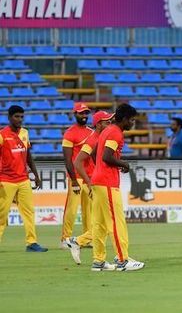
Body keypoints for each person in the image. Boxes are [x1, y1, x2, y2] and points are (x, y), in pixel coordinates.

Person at [90, 103, 144, 271]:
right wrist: (123, 164)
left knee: (99, 223)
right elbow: (107, 157)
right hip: (107, 182)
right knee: (116, 221)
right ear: (124, 119)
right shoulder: (116, 133)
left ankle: (98, 261)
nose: (133, 123)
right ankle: (123, 261)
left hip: (98, 181)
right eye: (132, 120)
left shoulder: (107, 130)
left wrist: (101, 169)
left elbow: (94, 153)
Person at [64, 110, 114, 265]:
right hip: (94, 184)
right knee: (106, 220)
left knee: (101, 221)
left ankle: (82, 244)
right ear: (98, 124)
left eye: (111, 120)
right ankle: (117, 257)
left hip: (98, 182)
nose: (110, 124)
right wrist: (89, 182)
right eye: (107, 121)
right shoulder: (93, 140)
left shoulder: (100, 137)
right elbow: (77, 162)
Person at [0, 105, 47, 252]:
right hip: (6, 180)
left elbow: (28, 156)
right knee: (2, 213)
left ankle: (31, 243)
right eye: (16, 116)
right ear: (9, 117)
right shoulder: (2, 135)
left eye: (21, 116)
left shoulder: (25, 133)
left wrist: (36, 175)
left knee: (29, 212)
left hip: (23, 180)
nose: (19, 119)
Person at [60, 102, 94, 248]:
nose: (84, 116)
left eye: (86, 113)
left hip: (90, 177)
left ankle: (86, 239)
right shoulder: (70, 133)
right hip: (76, 178)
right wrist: (73, 180)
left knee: (89, 210)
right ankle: (65, 239)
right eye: (81, 113)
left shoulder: (92, 132)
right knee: (72, 209)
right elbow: (68, 159)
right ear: (75, 114)